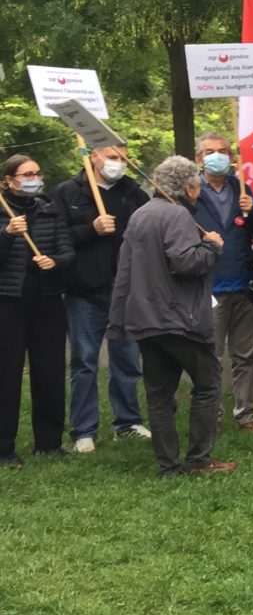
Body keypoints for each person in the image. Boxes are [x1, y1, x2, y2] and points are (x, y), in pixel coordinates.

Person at [107, 156, 232, 477]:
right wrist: (212, 247)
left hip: (145, 319)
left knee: (159, 395)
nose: (199, 191)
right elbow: (185, 262)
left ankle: (168, 465)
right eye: (197, 185)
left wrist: (120, 318)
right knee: (208, 384)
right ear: (188, 188)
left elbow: (125, 269)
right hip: (179, 318)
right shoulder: (177, 214)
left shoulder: (140, 214)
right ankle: (199, 459)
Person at [52, 142, 151, 451]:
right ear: (93, 156)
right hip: (83, 290)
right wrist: (91, 229)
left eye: (123, 158)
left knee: (127, 359)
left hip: (125, 289)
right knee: (84, 362)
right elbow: (56, 238)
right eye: (111, 157)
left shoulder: (134, 194)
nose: (118, 163)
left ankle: (128, 422)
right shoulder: (67, 193)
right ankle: (83, 430)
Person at [193, 133, 253, 432]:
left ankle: (246, 415)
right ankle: (211, 417)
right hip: (209, 287)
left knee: (244, 356)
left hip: (243, 284)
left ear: (231, 157)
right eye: (209, 152)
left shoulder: (241, 188)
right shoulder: (191, 192)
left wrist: (251, 211)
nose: (217, 156)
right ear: (199, 158)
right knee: (211, 357)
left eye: (223, 151)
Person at [1, 153, 74, 467]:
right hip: (9, 303)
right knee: (7, 376)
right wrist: (6, 235)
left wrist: (55, 261)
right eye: (27, 174)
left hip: (47, 300)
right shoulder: (3, 212)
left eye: (37, 173)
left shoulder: (49, 209)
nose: (35, 179)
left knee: (50, 373)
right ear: (9, 181)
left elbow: (68, 251)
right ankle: (4, 448)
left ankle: (49, 442)